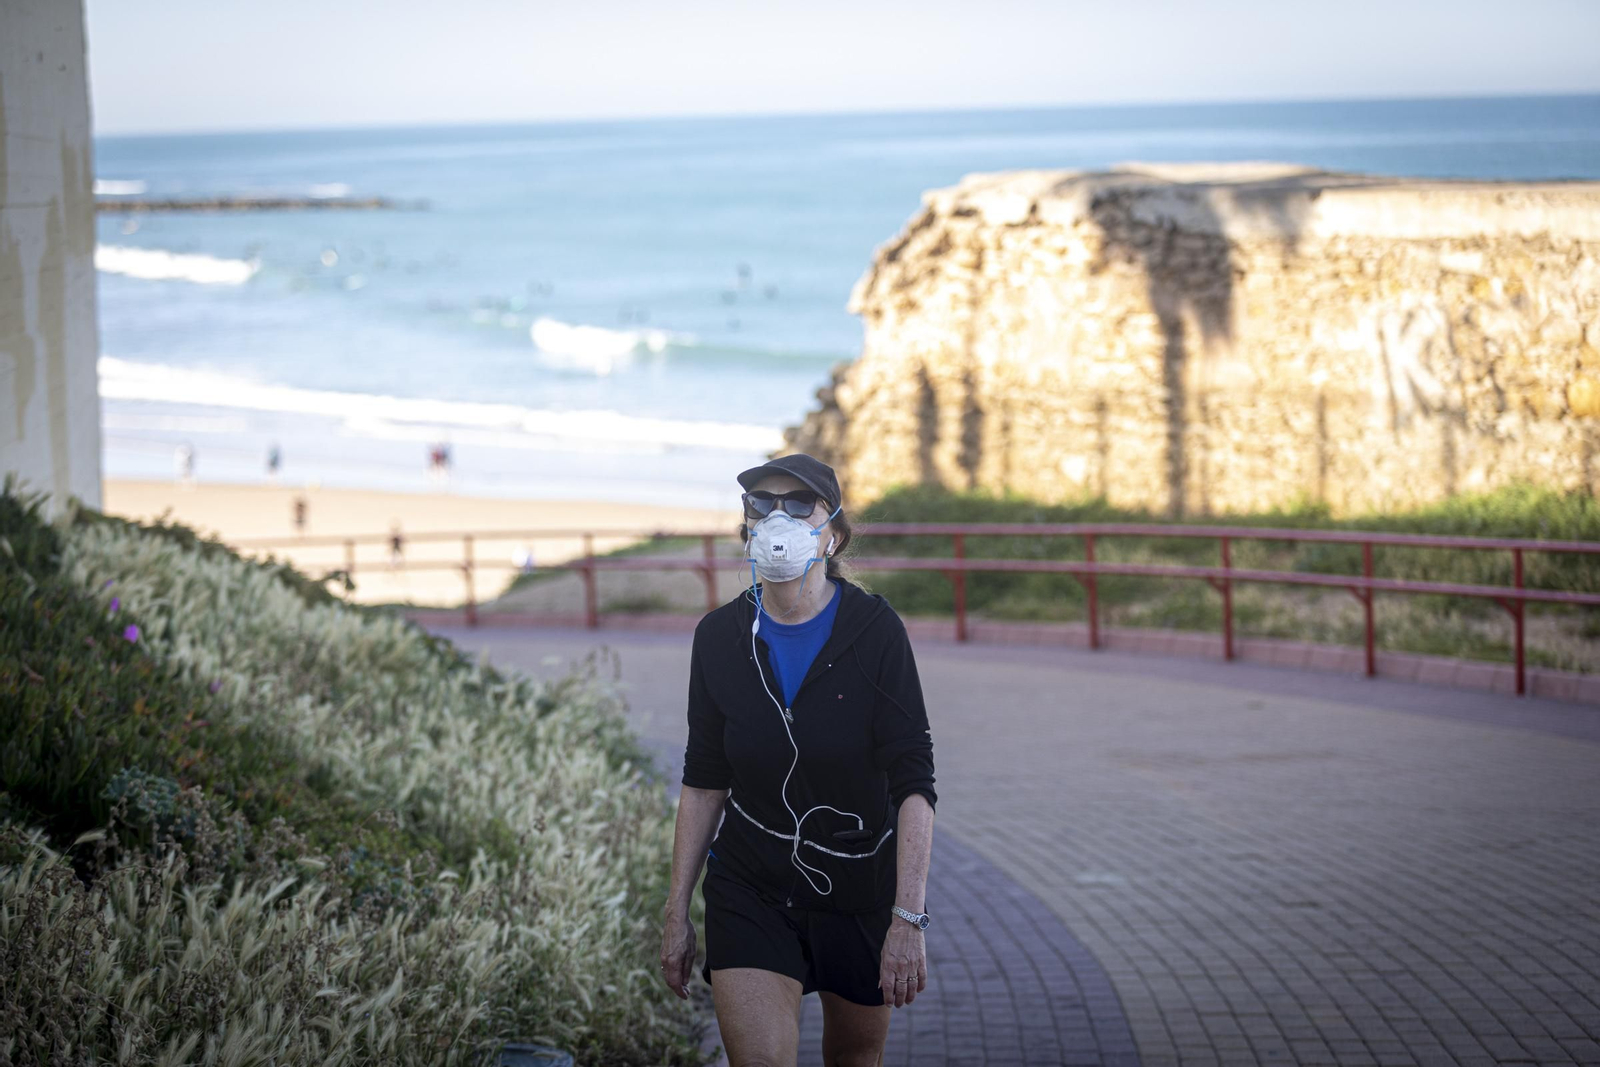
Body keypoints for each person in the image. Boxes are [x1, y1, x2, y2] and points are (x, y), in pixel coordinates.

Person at [659, 453, 937, 1067]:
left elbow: (914, 782)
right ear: (747, 529)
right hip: (750, 887)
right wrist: (676, 911)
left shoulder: (876, 631)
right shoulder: (719, 637)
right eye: (762, 503)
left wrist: (907, 917)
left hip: (859, 886)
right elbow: (704, 781)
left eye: (799, 503)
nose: (777, 516)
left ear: (833, 533)